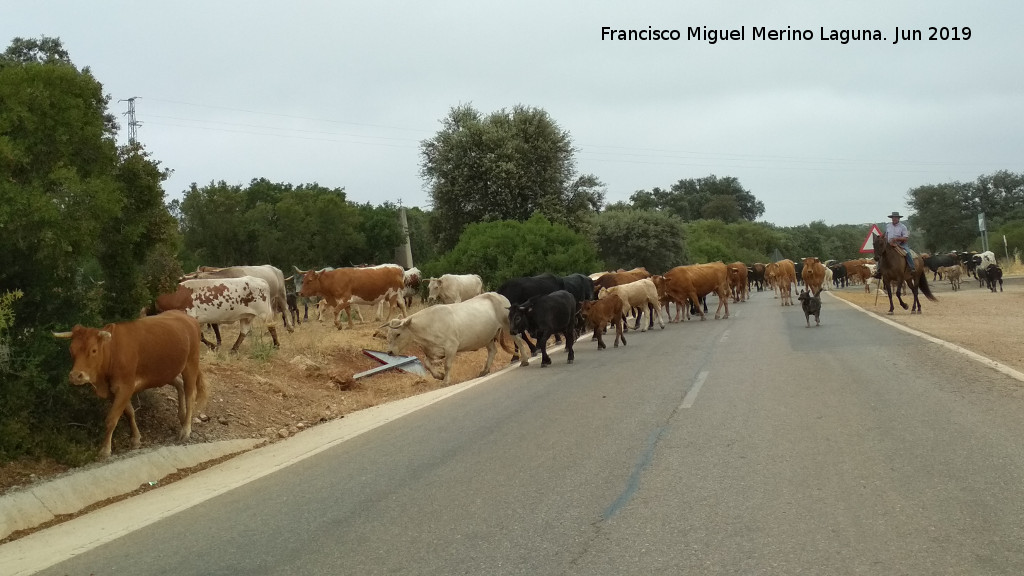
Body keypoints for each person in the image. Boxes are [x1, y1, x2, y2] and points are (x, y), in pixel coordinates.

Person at [873, 211, 914, 278]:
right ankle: (879, 271)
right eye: (893, 218)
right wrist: (881, 238)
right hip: (889, 244)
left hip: (901, 244)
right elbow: (886, 235)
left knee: (907, 253)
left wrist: (896, 239)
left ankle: (912, 268)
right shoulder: (888, 226)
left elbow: (905, 238)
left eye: (896, 218)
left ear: (898, 218)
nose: (894, 219)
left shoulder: (903, 227)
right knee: (881, 254)